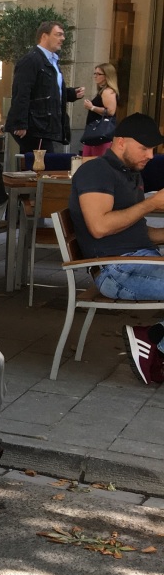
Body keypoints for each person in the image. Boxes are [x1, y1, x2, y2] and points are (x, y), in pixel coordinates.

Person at [67, 113, 164, 384]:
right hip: (116, 270)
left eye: (153, 149)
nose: (151, 155)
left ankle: (154, 339)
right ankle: (153, 340)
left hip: (135, 261)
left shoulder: (130, 174)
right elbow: (99, 227)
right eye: (144, 148)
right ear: (120, 142)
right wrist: (151, 204)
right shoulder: (96, 170)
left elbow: (136, 232)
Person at [6, 20, 84, 152]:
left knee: (39, 167)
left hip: (44, 126)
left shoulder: (52, 61)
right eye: (58, 34)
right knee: (39, 167)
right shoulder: (31, 60)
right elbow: (21, 92)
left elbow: (47, 90)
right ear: (44, 36)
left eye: (63, 35)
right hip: (36, 127)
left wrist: (70, 94)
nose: (62, 38)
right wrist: (21, 123)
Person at [81, 62, 120, 157]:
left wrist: (92, 107)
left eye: (99, 74)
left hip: (100, 135)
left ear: (107, 76)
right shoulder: (103, 91)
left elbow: (110, 111)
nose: (95, 76)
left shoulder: (108, 91)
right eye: (95, 73)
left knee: (94, 161)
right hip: (95, 134)